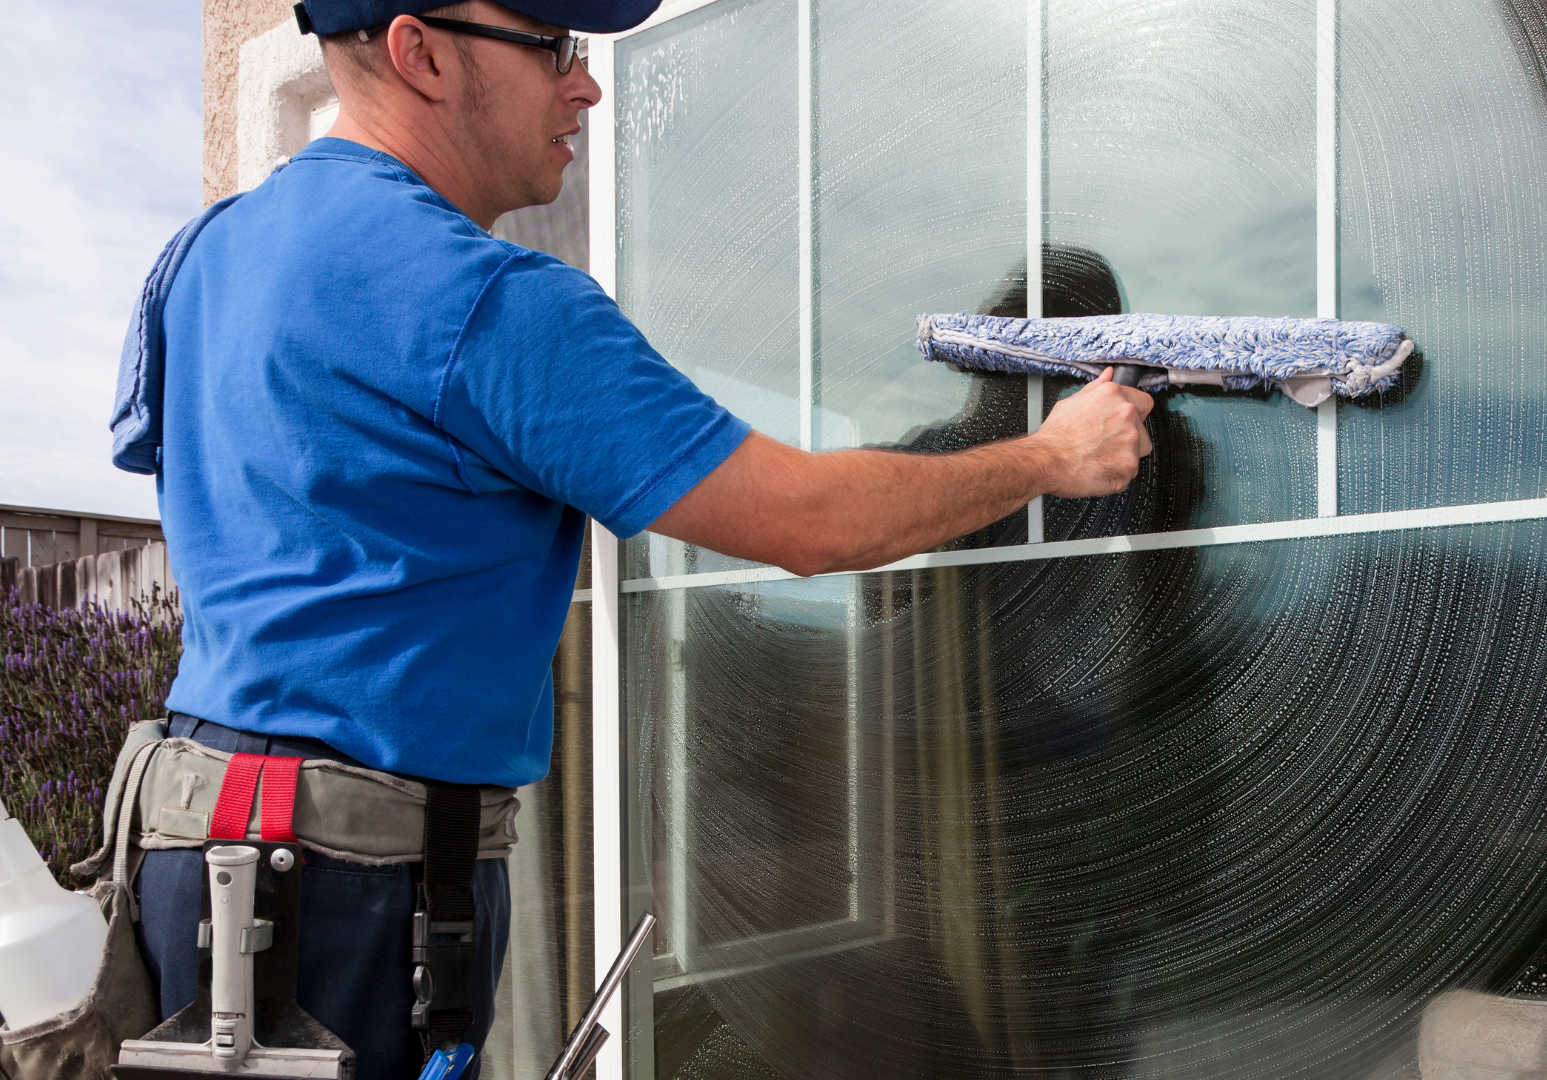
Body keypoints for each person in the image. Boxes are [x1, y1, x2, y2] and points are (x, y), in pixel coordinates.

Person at [114, 1, 1153, 1076]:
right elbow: (803, 521)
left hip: (195, 837)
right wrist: (1049, 459)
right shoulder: (479, 301)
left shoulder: (197, 261)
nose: (589, 87)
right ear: (421, 52)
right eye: (555, 48)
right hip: (349, 885)